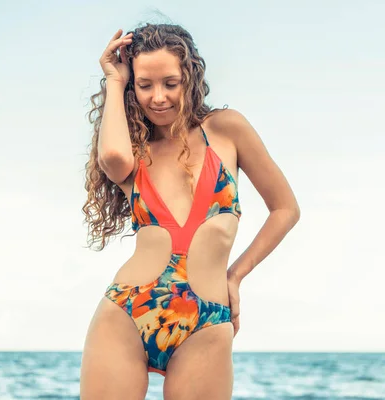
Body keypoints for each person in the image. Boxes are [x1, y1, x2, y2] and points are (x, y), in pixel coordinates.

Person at [79, 23, 300, 399]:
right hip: (128, 312)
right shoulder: (133, 150)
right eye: (144, 85)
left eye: (170, 82)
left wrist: (236, 276)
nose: (158, 97)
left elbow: (285, 209)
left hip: (208, 320)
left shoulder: (226, 130)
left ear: (190, 78)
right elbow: (112, 157)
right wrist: (115, 81)